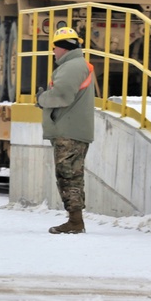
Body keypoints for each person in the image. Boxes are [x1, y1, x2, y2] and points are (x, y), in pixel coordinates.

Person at [36, 27, 95, 234]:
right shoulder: (77, 65)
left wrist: (41, 99)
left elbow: (62, 95)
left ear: (62, 47)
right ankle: (75, 220)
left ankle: (75, 222)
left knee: (69, 176)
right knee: (70, 176)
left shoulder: (72, 67)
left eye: (54, 48)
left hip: (70, 132)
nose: (53, 52)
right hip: (71, 129)